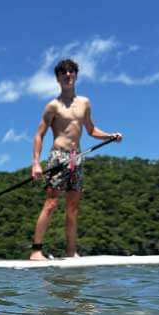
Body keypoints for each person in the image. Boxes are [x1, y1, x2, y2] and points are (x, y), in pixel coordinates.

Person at [30, 59, 122, 260]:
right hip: (58, 156)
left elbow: (90, 130)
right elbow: (39, 135)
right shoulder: (52, 106)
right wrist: (36, 163)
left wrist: (109, 136)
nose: (68, 75)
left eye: (71, 72)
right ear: (58, 78)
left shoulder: (84, 103)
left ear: (76, 76)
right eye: (64, 72)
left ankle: (71, 251)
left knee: (72, 207)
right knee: (51, 203)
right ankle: (36, 251)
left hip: (76, 158)